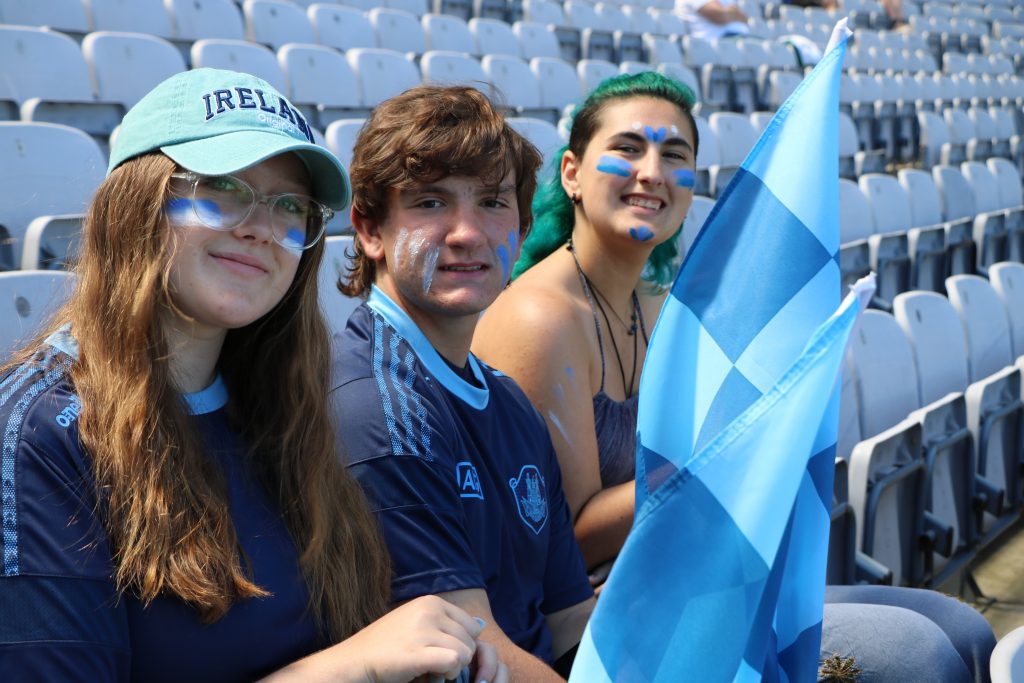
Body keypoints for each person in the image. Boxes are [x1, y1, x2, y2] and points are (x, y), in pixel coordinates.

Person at [472, 71, 995, 682]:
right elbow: (570, 541)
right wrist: (733, 456)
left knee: (966, 628)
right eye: (627, 149)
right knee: (919, 655)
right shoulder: (541, 317)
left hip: (694, 581)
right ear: (571, 175)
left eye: (675, 156)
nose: (652, 172)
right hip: (610, 622)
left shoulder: (658, 303)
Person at [0, 68, 504, 683]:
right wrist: (354, 667)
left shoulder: (284, 413)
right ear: (135, 204)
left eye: (289, 205)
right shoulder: (39, 433)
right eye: (221, 189)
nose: (261, 227)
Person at [329, 85, 596, 681]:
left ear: (522, 233)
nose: (467, 232)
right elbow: (482, 662)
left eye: (493, 203)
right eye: (430, 203)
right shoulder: (375, 405)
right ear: (369, 230)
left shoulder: (509, 401)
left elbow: (571, 620)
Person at [678, 0, 750, 42]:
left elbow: (745, 19)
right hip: (714, 42)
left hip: (737, 39)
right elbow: (720, 16)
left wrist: (729, 13)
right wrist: (733, 13)